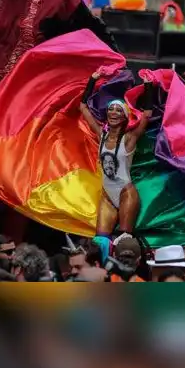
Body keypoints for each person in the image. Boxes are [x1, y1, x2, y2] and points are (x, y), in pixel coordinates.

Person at [79, 71, 152, 243]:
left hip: (126, 194)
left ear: (124, 117)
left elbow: (147, 115)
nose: (113, 112)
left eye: (118, 110)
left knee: (123, 240)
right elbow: (83, 108)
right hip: (107, 196)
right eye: (110, 109)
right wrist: (92, 79)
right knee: (101, 242)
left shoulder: (129, 139)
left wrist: (148, 86)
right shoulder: (101, 135)